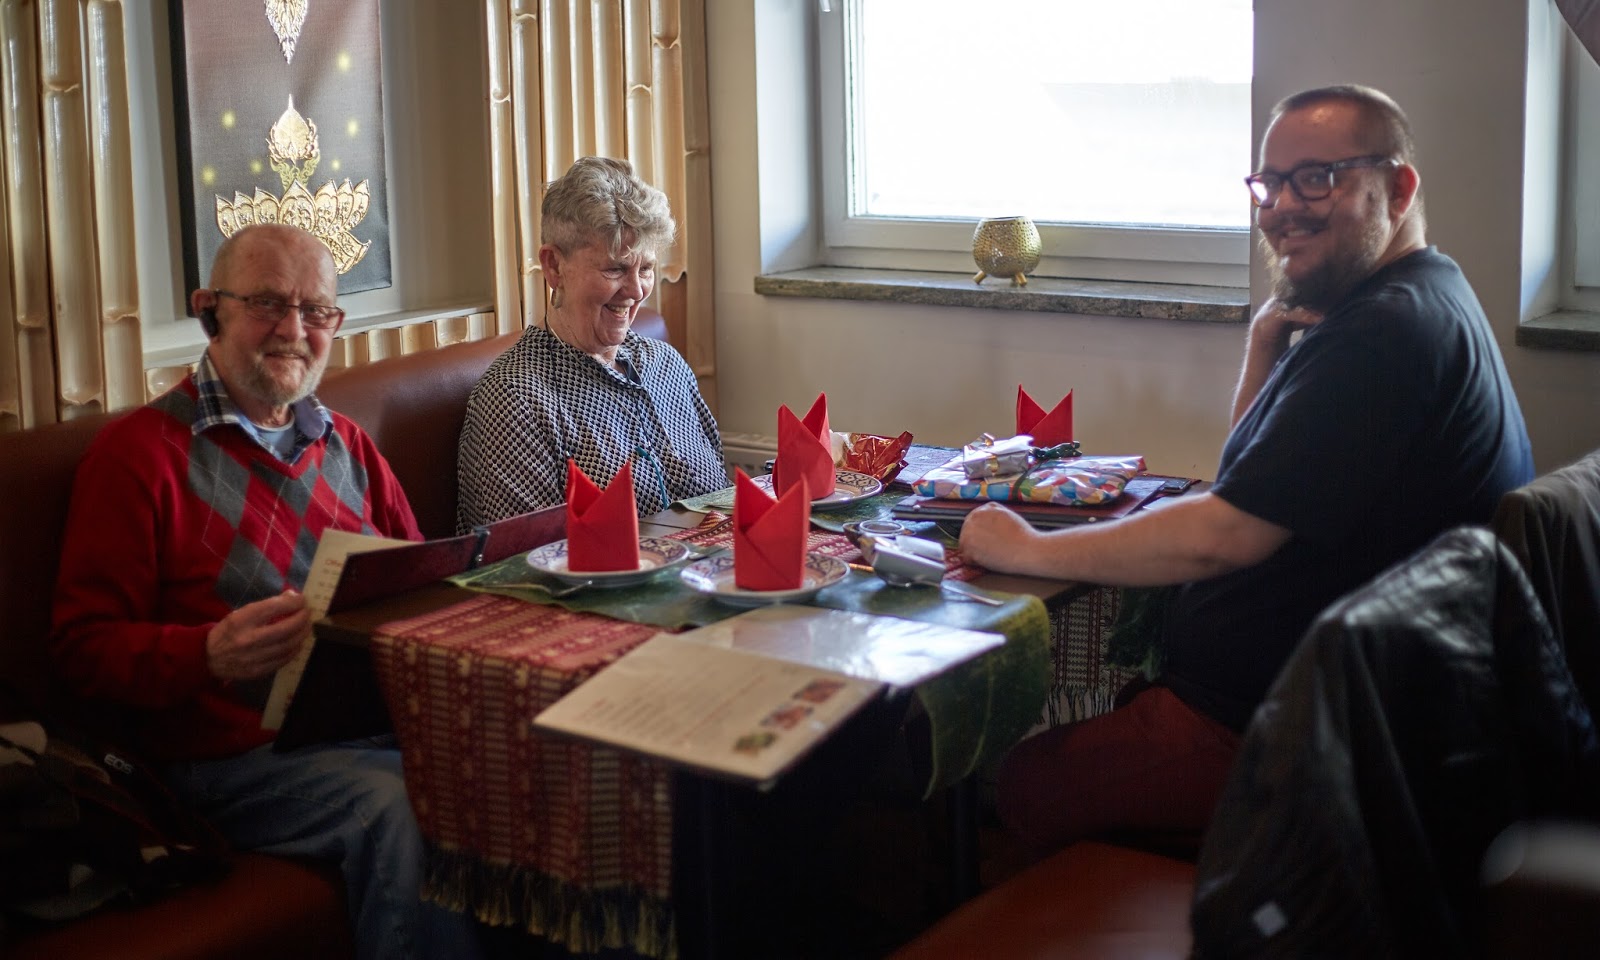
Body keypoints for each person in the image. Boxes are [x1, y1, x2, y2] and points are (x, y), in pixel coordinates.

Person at [959, 85, 1535, 858]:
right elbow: (1247, 483)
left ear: (1398, 189)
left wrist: (1025, 548)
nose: (1279, 209)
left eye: (1317, 178)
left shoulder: (1384, 338)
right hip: (1294, 703)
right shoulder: (1414, 297)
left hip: (1295, 731)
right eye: (1269, 183)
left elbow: (1223, 535)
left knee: (1020, 780)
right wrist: (1264, 345)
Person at [51, 224, 483, 960]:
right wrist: (206, 653)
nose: (293, 330)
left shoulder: (346, 442)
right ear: (208, 309)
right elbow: (79, 652)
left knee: (529, 754)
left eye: (316, 310)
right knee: (401, 807)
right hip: (221, 765)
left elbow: (421, 585)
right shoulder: (136, 459)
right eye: (266, 303)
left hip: (360, 729)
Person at [455, 156, 726, 532]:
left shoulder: (667, 365)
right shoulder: (516, 398)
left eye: (645, 268)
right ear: (553, 267)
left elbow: (723, 499)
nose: (635, 291)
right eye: (615, 269)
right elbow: (516, 565)